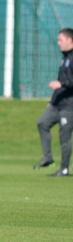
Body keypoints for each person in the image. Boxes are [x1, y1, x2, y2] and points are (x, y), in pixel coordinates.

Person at [33, 28, 73, 177]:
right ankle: (48, 158)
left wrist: (62, 84)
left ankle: (64, 169)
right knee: (42, 122)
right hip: (57, 104)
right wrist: (52, 102)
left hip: (69, 106)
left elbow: (66, 82)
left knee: (64, 136)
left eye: (60, 40)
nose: (58, 43)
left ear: (70, 40)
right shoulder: (65, 59)